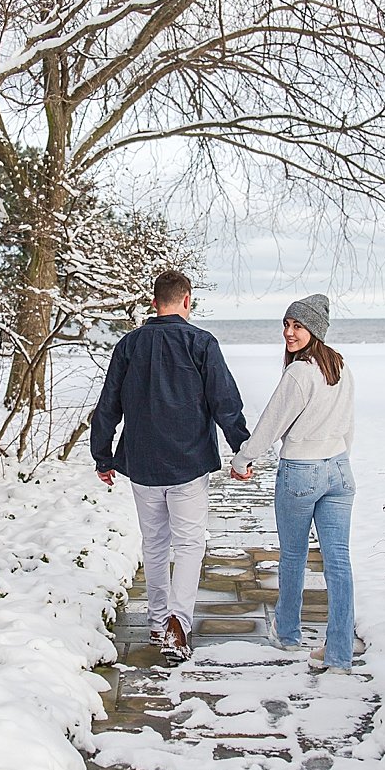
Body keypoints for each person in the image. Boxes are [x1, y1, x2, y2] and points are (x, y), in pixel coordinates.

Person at [90, 269, 249, 663]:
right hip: (188, 461)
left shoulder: (129, 345)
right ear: (187, 300)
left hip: (142, 462)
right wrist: (241, 450)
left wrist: (103, 456)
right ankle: (178, 621)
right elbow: (224, 401)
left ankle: (159, 622)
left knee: (155, 544)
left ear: (154, 302)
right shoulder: (201, 343)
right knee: (191, 543)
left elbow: (108, 404)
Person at [230, 294, 357, 673]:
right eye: (286, 325)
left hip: (302, 470)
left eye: (297, 326)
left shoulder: (300, 373)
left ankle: (287, 634)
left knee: (294, 555)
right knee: (338, 562)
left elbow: (272, 423)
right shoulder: (340, 367)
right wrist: (339, 455)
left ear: (314, 330)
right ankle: (339, 654)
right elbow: (348, 423)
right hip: (339, 470)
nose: (289, 332)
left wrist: (242, 460)